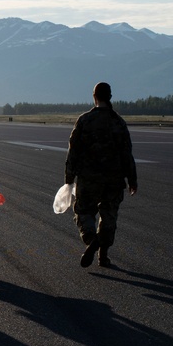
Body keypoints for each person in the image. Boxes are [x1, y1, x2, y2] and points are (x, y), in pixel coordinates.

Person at [64, 81, 137, 268]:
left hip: (89, 178)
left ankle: (91, 240)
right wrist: (132, 179)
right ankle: (103, 255)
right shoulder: (118, 122)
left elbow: (73, 151)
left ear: (94, 96)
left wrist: (69, 177)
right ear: (110, 97)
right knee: (109, 215)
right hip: (114, 179)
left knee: (83, 211)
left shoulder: (84, 120)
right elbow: (126, 153)